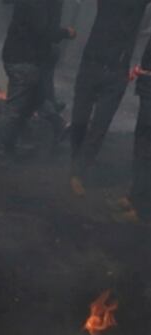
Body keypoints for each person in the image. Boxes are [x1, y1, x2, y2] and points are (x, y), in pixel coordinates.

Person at [69, 0, 150, 196]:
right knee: (79, 119)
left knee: (100, 125)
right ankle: (75, 163)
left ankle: (79, 172)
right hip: (92, 63)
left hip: (117, 71)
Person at [0, 0, 76, 161]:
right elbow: (43, 31)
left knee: (32, 99)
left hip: (22, 56)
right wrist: (66, 32)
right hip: (24, 58)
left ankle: (16, 143)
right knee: (15, 109)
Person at [115, 41, 151, 223]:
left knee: (147, 153)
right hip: (147, 89)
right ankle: (135, 197)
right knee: (141, 149)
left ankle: (143, 209)